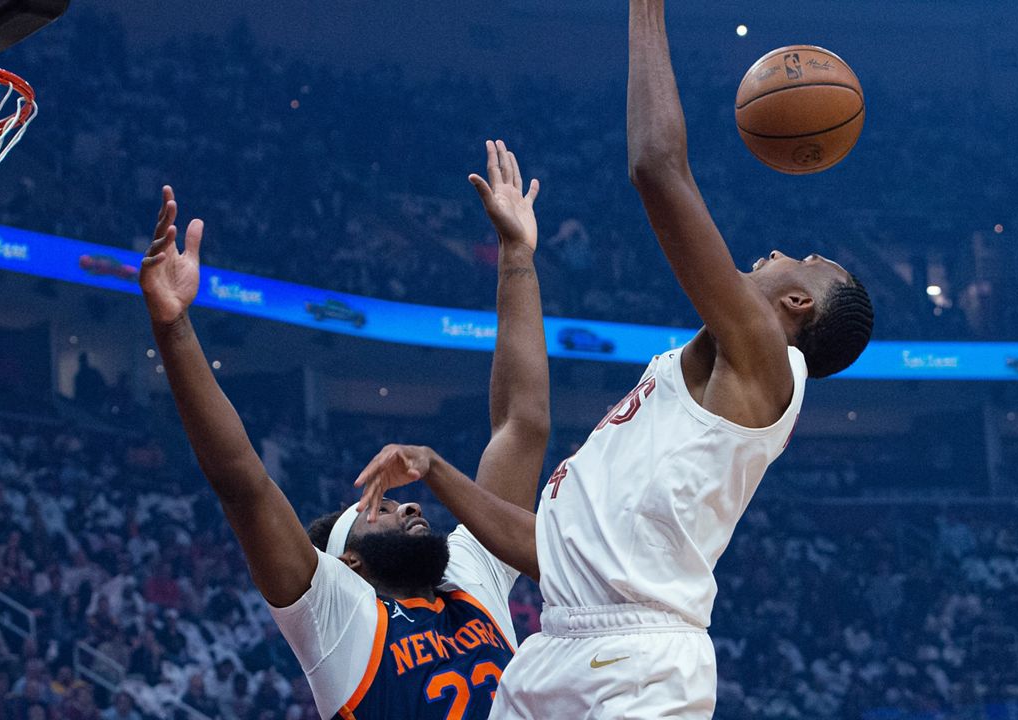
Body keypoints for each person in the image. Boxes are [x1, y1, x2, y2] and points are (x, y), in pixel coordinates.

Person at [356, 3, 874, 717]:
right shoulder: (690, 379)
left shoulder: (770, 364)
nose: (785, 251)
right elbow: (551, 552)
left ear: (795, 307)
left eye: (807, 262)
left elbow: (657, 169)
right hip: (557, 645)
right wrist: (438, 469)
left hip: (642, 661)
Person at [139, 139, 549, 720]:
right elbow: (242, 481)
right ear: (349, 561)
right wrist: (174, 329)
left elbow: (522, 425)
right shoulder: (334, 609)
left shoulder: (465, 575)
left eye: (397, 503)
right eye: (379, 509)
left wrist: (516, 256)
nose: (408, 509)